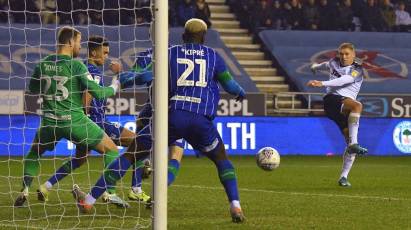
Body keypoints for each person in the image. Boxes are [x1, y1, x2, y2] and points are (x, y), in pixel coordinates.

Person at [72, 18, 246, 223]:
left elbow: (143, 77)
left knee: (130, 155)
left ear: (183, 36)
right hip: (201, 119)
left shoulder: (170, 54)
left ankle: (90, 200)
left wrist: (122, 80)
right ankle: (235, 206)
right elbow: (231, 86)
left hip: (171, 115)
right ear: (204, 37)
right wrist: (240, 92)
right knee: (221, 159)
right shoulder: (214, 56)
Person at [36, 35, 152, 208]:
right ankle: (122, 191)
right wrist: (86, 116)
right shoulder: (93, 71)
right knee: (137, 142)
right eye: (104, 53)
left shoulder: (81, 67)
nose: (106, 57)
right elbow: (87, 95)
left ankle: (46, 186)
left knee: (80, 159)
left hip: (82, 123)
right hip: (96, 122)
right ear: (93, 52)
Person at [14, 26, 120, 207]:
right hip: (74, 122)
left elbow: (32, 90)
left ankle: (24, 191)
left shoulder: (42, 63)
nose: (80, 46)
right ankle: (110, 193)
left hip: (49, 123)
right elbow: (99, 93)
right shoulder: (76, 65)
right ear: (70, 42)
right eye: (78, 42)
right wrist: (115, 85)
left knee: (34, 152)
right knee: (112, 150)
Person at [307, 42, 368, 187]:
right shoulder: (334, 62)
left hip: (342, 107)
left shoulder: (357, 70)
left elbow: (345, 80)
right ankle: (354, 144)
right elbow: (325, 64)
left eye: (347, 54)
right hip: (332, 101)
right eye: (341, 54)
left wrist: (321, 83)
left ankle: (344, 177)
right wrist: (315, 67)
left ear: (353, 55)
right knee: (357, 105)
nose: (344, 56)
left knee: (349, 139)